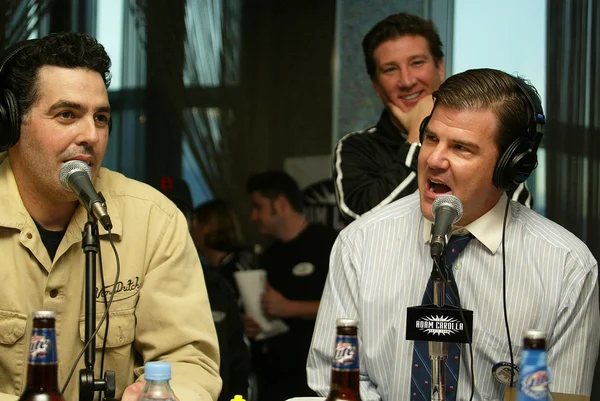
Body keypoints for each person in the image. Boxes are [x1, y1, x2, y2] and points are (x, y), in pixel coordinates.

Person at [308, 69, 600, 399]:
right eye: (431, 139)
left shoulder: (568, 269)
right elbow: (331, 378)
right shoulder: (360, 243)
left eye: (461, 148)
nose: (433, 159)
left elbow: (562, 394)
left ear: (510, 165)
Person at [0, 33, 221, 400]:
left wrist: (162, 393)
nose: (91, 135)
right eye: (67, 114)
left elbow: (189, 359)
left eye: (100, 117)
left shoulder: (155, 220)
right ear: (9, 123)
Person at [333, 13, 532, 225]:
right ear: (376, 86)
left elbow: (513, 222)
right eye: (391, 69)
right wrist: (416, 140)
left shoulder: (488, 137)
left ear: (440, 67)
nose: (407, 81)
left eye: (417, 63)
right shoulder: (356, 147)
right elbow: (361, 224)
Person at [244, 170, 338, 401]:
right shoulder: (268, 255)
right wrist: (254, 324)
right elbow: (270, 312)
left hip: (315, 381)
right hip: (272, 380)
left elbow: (347, 311)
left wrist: (290, 307)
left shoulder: (330, 244)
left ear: (281, 204)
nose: (253, 217)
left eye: (258, 207)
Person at [157, 177, 251, 401]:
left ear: (192, 222)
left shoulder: (216, 287)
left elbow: (238, 361)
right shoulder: (128, 285)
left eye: (179, 214)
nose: (170, 223)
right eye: (160, 213)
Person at [192, 199, 255, 301]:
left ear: (208, 226)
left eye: (194, 224)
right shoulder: (213, 272)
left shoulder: (237, 269)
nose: (190, 231)